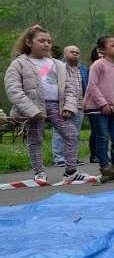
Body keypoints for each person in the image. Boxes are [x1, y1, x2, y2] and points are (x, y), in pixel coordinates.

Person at [4, 25, 92, 182]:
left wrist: (69, 106)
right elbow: (13, 89)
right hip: (35, 107)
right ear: (29, 42)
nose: (46, 44)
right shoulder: (20, 63)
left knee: (71, 133)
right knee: (35, 138)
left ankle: (71, 171)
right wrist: (31, 109)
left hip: (56, 106)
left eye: (49, 41)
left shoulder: (57, 64)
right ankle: (39, 173)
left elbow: (70, 88)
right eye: (41, 40)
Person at [83, 36, 114, 170]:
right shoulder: (98, 64)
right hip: (98, 108)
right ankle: (104, 165)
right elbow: (92, 85)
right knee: (102, 136)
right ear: (102, 49)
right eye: (112, 45)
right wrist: (103, 104)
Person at [51, 45, 87, 166]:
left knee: (75, 133)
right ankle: (59, 158)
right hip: (63, 105)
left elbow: (86, 86)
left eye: (77, 52)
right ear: (65, 54)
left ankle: (71, 158)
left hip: (79, 106)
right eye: (72, 52)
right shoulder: (57, 67)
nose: (75, 54)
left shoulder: (82, 69)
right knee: (60, 132)